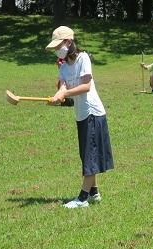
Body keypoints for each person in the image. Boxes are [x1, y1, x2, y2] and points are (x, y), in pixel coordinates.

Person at [47, 26, 114, 209]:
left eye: (58, 46)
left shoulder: (83, 58)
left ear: (68, 42)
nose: (56, 50)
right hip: (81, 115)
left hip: (92, 112)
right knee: (86, 155)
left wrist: (64, 92)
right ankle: (94, 193)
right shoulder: (63, 67)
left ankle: (82, 199)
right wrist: (57, 97)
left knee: (90, 155)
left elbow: (86, 86)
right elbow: (62, 87)